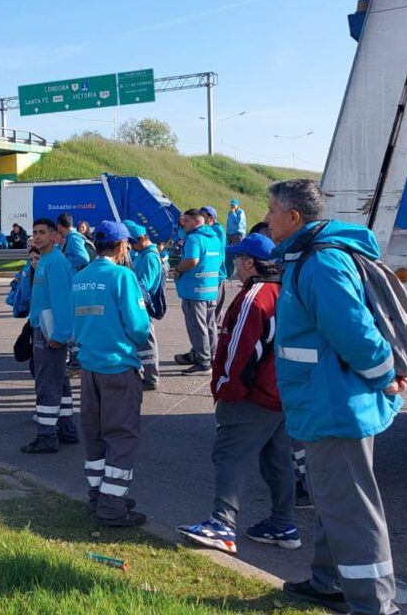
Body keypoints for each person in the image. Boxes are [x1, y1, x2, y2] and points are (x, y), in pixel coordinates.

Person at [266, 179, 404, 615]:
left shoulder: (320, 263)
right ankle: (329, 582)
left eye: (271, 210)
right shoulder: (308, 258)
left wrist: (386, 377)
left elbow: (355, 334)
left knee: (352, 510)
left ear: (294, 217)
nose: (266, 217)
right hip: (326, 401)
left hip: (336, 405)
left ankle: (375, 605)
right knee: (334, 501)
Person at [178, 233, 299, 554]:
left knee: (228, 455)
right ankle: (283, 524)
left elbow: (240, 351)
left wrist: (226, 389)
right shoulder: (283, 292)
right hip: (281, 394)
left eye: (237, 258)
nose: (233, 264)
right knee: (278, 460)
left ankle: (221, 524)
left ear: (249, 262)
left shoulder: (254, 298)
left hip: (252, 396)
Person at [72, 220, 151, 528]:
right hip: (118, 367)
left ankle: (99, 495)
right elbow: (139, 328)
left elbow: (77, 324)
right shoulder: (123, 276)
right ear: (120, 246)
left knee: (95, 435)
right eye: (127, 244)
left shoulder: (81, 277)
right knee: (121, 437)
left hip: (90, 367)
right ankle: (112, 506)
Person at [20, 218, 80, 454]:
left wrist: (61, 334)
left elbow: (63, 302)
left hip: (49, 334)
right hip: (44, 330)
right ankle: (66, 429)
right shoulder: (45, 260)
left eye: (42, 232)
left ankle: (47, 436)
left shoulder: (55, 262)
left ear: (54, 236)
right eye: (34, 232)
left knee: (46, 385)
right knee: (60, 382)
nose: (37, 236)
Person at [172, 209, 223, 374]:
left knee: (197, 327)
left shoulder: (193, 239)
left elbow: (192, 260)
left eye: (186, 221)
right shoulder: (214, 237)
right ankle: (211, 357)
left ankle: (203, 362)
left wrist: (178, 269)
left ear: (196, 222)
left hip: (194, 291)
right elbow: (220, 259)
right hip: (210, 290)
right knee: (210, 325)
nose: (184, 224)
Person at [124, 220, 163, 391]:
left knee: (147, 343)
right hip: (139, 304)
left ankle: (151, 378)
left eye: (131, 242)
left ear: (141, 239)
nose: (130, 247)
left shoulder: (150, 258)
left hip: (143, 305)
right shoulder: (142, 255)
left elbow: (144, 286)